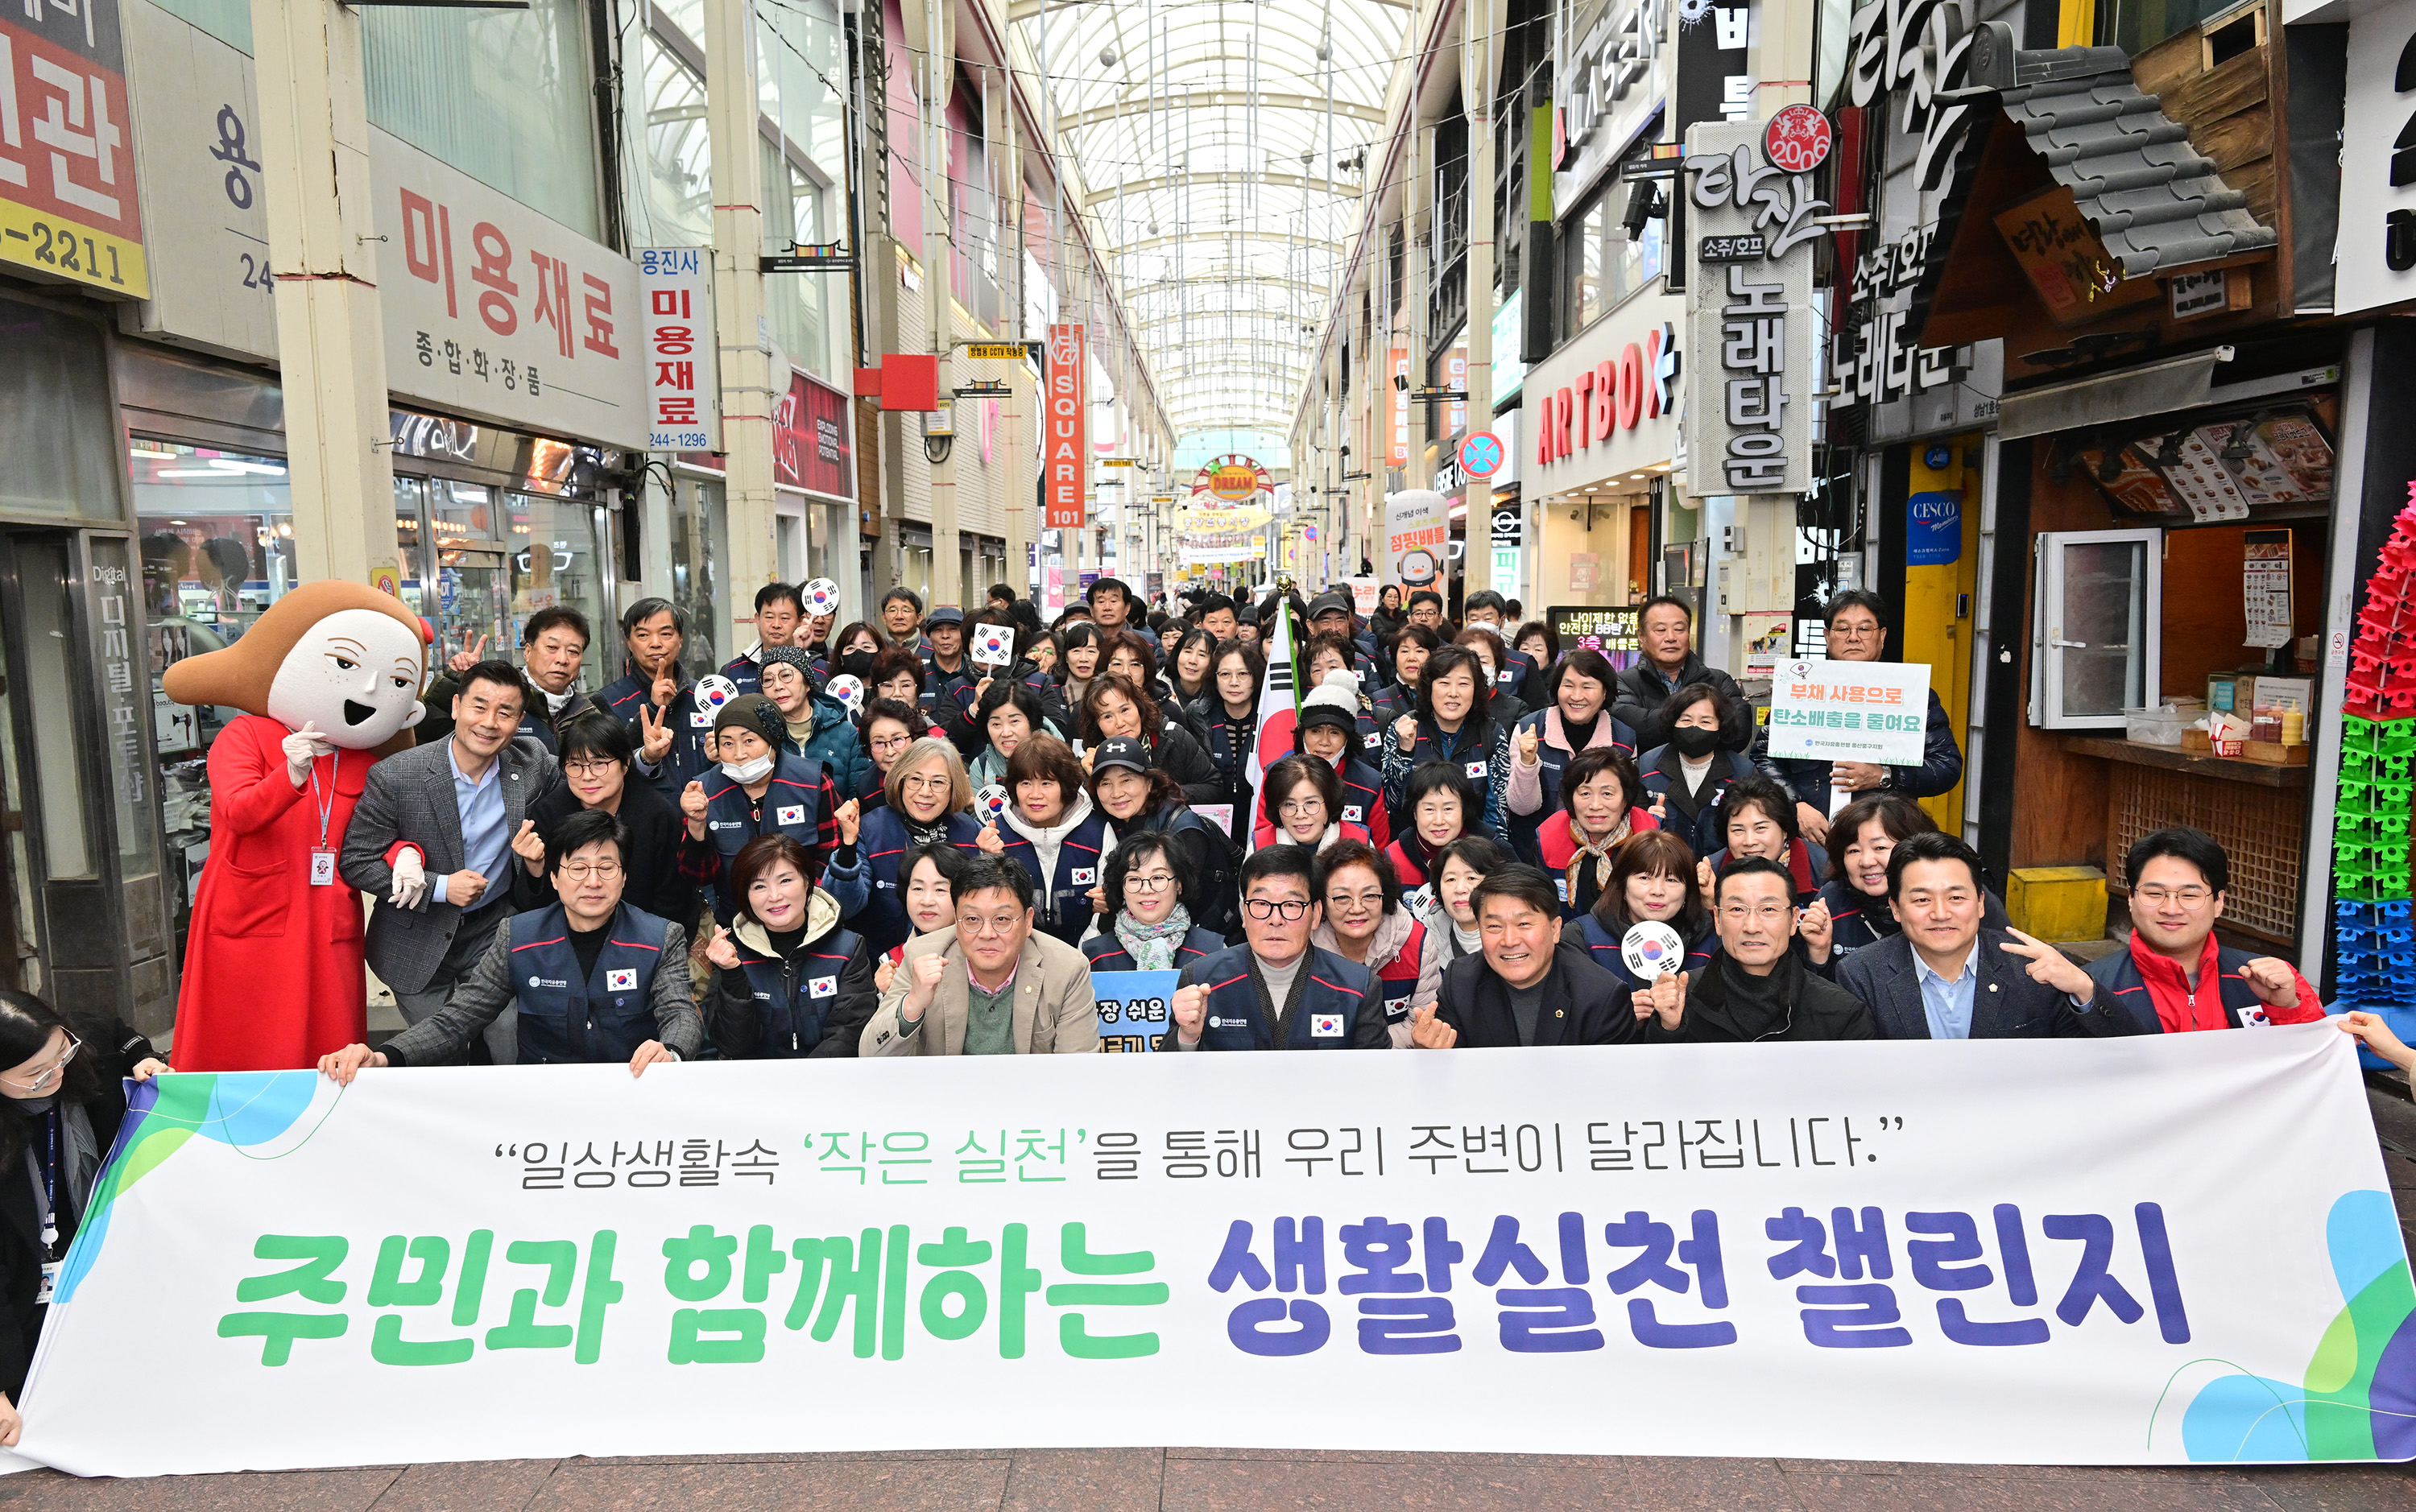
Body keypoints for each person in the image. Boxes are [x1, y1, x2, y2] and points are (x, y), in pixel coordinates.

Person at [322, 809, 701, 1075]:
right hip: (541, 1099)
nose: (593, 881)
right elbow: (460, 1018)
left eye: (607, 867)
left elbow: (680, 1013)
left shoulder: (660, 936)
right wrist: (384, 1056)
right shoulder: (517, 935)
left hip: (631, 1089)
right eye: (578, 868)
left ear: (623, 877)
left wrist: (671, 1051)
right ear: (554, 877)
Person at [340, 658, 559, 1066]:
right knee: (440, 1056)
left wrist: (644, 759)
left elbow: (589, 774)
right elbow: (356, 860)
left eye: (505, 712)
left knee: (510, 1037)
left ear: (519, 720)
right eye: (479, 706)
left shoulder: (531, 764)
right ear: (456, 706)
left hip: (492, 928)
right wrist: (439, 886)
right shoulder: (397, 775)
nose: (490, 722)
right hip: (413, 936)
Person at [0, 992, 165, 1429]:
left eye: (60, 1055)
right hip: (23, 1293)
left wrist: (144, 1057)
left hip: (101, 1266)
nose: (55, 1074)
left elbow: (114, 1031)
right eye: (34, 1073)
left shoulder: (78, 1057)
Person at [1839, 832, 2132, 1040]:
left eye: (1956, 898)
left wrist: (2084, 988)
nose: (1941, 913)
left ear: (1980, 903)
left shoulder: (2033, 968)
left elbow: (2125, 1053)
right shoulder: (1862, 974)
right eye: (1921, 900)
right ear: (1896, 908)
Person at [1756, 591, 1966, 843]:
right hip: (1808, 836)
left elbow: (1947, 766)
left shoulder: (1911, 694)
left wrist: (1884, 775)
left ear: (1882, 636)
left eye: (1865, 629)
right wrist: (1794, 805)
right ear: (1827, 636)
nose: (1853, 637)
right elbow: (1763, 756)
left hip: (1886, 836)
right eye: (1842, 629)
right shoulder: (1799, 689)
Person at [2083, 827, 2322, 1031]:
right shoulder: (2090, 987)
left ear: (2219, 903)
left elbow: (2317, 1060)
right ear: (2131, 899)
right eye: (2155, 894)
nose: (2171, 908)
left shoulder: (2276, 979)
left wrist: (2286, 1007)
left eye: (2189, 895)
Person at [859, 854, 1101, 1055]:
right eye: (972, 919)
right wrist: (912, 1005)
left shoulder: (1067, 968)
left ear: (1028, 922)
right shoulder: (922, 955)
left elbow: (1076, 1071)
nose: (987, 934)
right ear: (956, 921)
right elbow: (870, 1054)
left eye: (1002, 919)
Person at [1161, 845, 1389, 1050]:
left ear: (1316, 914)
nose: (1275, 919)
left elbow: (1377, 1078)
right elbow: (1170, 1077)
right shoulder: (1201, 979)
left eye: (1291, 905)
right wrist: (1188, 1036)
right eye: (1261, 904)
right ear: (1244, 912)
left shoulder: (1358, 987)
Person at [1637, 857, 1876, 1043]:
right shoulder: (1679, 1000)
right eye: (1737, 910)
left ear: (1794, 920)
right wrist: (1668, 1029)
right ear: (1718, 920)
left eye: (1769, 909)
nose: (1752, 927)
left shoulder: (1840, 1012)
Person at [1409, 863, 1642, 1049]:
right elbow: (1451, 1076)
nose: (1509, 941)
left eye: (1524, 923)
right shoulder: (1460, 981)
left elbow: (1611, 1090)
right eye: (1494, 926)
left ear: (1555, 929)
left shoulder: (1601, 996)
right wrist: (1429, 1053)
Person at [699, 833, 877, 1057]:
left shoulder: (848, 948)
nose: (774, 896)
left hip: (829, 1083)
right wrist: (733, 976)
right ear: (745, 896)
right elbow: (733, 1047)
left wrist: (802, 1083)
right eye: (759, 886)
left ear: (807, 881)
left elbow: (850, 1033)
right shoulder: (731, 954)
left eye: (785, 881)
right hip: (758, 1085)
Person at [677, 692, 850, 923]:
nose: (739, 754)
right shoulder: (703, 791)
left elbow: (831, 853)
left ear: (772, 741)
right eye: (727, 743)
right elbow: (698, 875)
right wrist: (696, 826)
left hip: (806, 916)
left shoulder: (813, 782)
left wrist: (800, 901)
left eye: (749, 741)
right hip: (735, 922)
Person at [510, 710, 696, 923]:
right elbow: (532, 909)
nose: (587, 776)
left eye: (599, 764)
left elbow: (673, 899)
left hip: (645, 937)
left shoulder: (658, 814)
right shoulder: (550, 813)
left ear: (625, 764)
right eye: (575, 765)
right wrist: (534, 867)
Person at [1810, 794, 2009, 968]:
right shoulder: (1831, 900)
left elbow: (2006, 961)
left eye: (1880, 848)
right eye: (1853, 850)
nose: (1866, 862)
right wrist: (1818, 956)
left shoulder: (1963, 896)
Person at [1087, 736, 1238, 939]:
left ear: (1149, 783)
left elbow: (1171, 899)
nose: (1116, 793)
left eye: (1126, 780)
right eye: (1105, 783)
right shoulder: (1114, 822)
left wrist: (1113, 898)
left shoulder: (1183, 830)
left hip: (1207, 938)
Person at [977, 733, 1114, 948]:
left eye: (1047, 783)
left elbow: (1105, 907)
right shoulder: (996, 834)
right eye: (1025, 783)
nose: (1035, 794)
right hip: (1018, 953)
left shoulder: (1096, 831)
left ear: (1066, 786)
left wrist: (1081, 955)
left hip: (1085, 954)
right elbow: (989, 910)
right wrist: (988, 861)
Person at [852, 737, 982, 958]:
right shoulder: (871, 829)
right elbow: (847, 905)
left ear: (954, 788)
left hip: (960, 960)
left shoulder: (971, 831)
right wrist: (846, 848)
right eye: (915, 780)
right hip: (882, 965)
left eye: (938, 783)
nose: (925, 792)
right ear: (901, 781)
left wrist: (992, 857)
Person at [1504, 648, 1637, 860]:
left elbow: (1626, 806)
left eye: (1588, 686)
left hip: (1604, 854)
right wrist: (1527, 762)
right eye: (1568, 685)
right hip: (1535, 855)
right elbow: (1521, 807)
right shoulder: (1529, 729)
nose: (1576, 696)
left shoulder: (1624, 739)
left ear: (1605, 692)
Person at [1311, 840, 1440, 1045]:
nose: (1357, 908)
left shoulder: (1418, 943)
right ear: (1322, 903)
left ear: (1384, 896)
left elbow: (1419, 1024)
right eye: (1342, 897)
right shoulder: (1303, 946)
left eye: (1369, 896)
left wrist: (1367, 1052)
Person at [420, 607, 592, 755]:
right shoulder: (497, 699)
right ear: (528, 652)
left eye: (573, 651)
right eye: (552, 648)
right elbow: (426, 735)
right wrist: (455, 682)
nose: (562, 659)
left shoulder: (590, 713)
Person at [1382, 644, 1509, 840]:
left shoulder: (1491, 734)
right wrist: (1404, 752)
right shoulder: (1405, 728)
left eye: (1464, 684)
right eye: (1444, 683)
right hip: (1414, 846)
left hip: (1473, 849)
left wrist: (1488, 858)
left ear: (1476, 690)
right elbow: (1391, 802)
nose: (1453, 693)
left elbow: (1497, 811)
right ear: (1429, 686)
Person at [1577, 828, 1719, 991]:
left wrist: (1713, 903)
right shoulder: (1582, 937)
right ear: (1622, 883)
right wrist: (1617, 1012)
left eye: (1671, 880)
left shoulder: (1712, 941)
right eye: (1645, 878)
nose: (1657, 891)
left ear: (1688, 891)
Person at [1636, 681, 1759, 862]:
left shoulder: (1742, 771)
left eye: (1705, 721)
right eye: (1686, 720)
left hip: (1721, 870)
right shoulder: (1647, 765)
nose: (1694, 728)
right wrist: (1646, 822)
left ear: (1721, 726)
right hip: (1662, 867)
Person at [1613, 594, 1747, 752]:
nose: (1671, 637)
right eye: (1661, 630)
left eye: (1679, 629)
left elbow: (1739, 732)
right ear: (1641, 636)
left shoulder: (1718, 680)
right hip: (1647, 774)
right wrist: (1703, 723)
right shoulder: (1623, 682)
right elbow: (1630, 731)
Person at [1082, 830, 1227, 973]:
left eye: (1158, 877)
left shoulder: (1213, 952)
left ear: (1179, 885)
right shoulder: (1093, 956)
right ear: (1122, 889)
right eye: (1134, 879)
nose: (1146, 889)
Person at [1538, 748, 1657, 917]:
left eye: (1607, 794)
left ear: (1626, 799)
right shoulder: (1548, 837)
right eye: (1585, 793)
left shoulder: (1651, 839)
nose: (1595, 805)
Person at [1078, 674, 1222, 805]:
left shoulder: (1173, 737)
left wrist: (1161, 796)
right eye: (1107, 716)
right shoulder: (1092, 756)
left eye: (1125, 710)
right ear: (1096, 723)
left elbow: (1213, 786)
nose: (1120, 723)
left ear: (1139, 708)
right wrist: (1091, 780)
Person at [760, 645, 869, 801]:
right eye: (768, 680)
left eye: (786, 676)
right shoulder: (760, 735)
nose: (778, 686)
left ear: (807, 683)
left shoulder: (846, 733)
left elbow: (858, 795)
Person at [1703, 777, 1831, 909]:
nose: (1750, 841)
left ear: (1784, 830)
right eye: (1738, 830)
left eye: (1760, 828)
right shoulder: (1711, 874)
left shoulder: (1825, 872)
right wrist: (1712, 904)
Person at [875, 840, 970, 990]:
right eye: (918, 888)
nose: (926, 901)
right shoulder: (893, 961)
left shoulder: (979, 953)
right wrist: (885, 995)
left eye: (940, 890)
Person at [1387, 762, 1479, 894]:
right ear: (1414, 812)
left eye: (1448, 809)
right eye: (1429, 809)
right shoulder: (1393, 857)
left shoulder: (1493, 852)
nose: (1439, 821)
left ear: (1464, 811)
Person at [1260, 753, 1373, 853]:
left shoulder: (1361, 843)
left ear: (1330, 803)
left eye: (1310, 802)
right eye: (1289, 804)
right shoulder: (1260, 846)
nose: (1300, 815)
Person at [969, 679, 1062, 789]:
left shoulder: (1061, 760)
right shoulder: (981, 766)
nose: (1006, 733)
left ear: (1031, 722)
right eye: (996, 724)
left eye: (1014, 721)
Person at [722, 583, 806, 697]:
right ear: (757, 620)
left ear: (800, 621)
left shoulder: (817, 669)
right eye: (769, 617)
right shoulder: (733, 671)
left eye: (785, 618)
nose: (776, 625)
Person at [859, 697, 933, 805]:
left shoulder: (939, 771)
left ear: (915, 738)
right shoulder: (866, 787)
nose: (890, 752)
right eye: (879, 743)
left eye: (898, 739)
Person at [1454, 626, 1529, 729]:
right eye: (1470, 661)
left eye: (1484, 662)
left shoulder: (1516, 709)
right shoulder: (1449, 703)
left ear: (1497, 669)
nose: (1477, 668)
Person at [1372, 624, 1442, 727]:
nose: (1411, 658)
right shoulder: (1379, 699)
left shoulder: (1443, 695)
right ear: (1394, 657)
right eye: (1405, 651)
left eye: (1419, 651)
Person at [1086, 576, 1157, 648]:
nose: (1107, 608)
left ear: (1127, 608)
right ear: (1091, 609)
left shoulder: (1147, 642)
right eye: (1101, 602)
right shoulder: (1081, 641)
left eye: (1113, 601)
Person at [1057, 620, 1103, 709]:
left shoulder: (1111, 690)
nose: (1083, 659)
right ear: (1066, 657)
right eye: (1077, 651)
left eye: (1091, 651)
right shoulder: (1053, 689)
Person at [879, 587, 926, 651]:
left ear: (918, 618)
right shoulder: (875, 650)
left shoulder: (934, 651)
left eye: (906, 611)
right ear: (884, 618)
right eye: (893, 611)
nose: (899, 616)